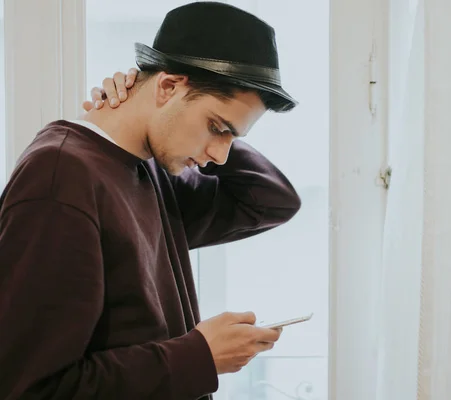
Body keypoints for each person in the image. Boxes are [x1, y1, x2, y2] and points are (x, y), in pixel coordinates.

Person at [0, 2, 301, 399]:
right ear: (168, 87)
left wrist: (200, 127)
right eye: (216, 127)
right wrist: (200, 357)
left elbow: (271, 199)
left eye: (234, 137)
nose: (220, 156)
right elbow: (30, 388)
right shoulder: (60, 178)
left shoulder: (154, 169)